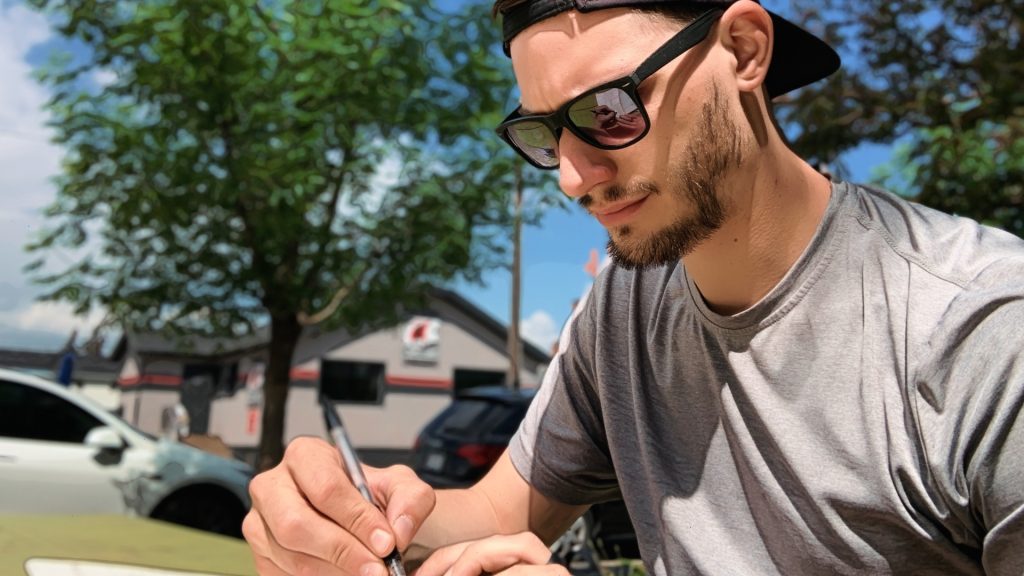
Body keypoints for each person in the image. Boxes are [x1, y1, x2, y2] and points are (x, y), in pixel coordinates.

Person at [243, 0, 1024, 574]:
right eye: (547, 134)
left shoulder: (985, 336)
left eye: (610, 110)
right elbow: (491, 514)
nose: (575, 178)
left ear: (745, 51)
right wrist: (359, 516)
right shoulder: (627, 302)